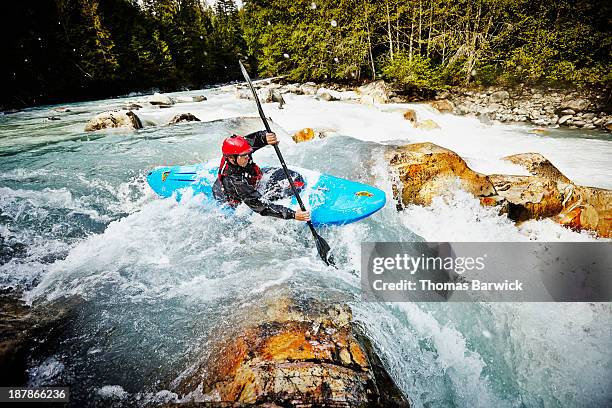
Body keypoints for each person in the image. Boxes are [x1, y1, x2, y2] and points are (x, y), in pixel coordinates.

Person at [212, 130, 311, 221]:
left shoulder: (240, 152)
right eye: (244, 155)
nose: (247, 157)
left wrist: (265, 137)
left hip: (250, 177)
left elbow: (253, 139)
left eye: (248, 154)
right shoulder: (234, 180)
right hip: (237, 197)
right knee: (266, 199)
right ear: (231, 158)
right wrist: (292, 214)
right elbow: (259, 205)